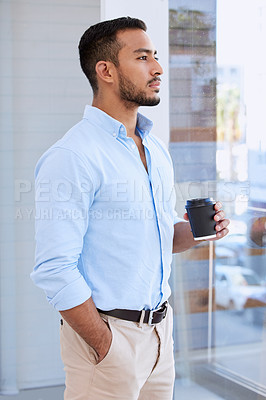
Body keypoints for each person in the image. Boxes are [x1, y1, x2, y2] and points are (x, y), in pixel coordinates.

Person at [31, 16, 230, 400]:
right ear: (105, 70)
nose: (157, 67)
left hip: (160, 334)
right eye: (142, 57)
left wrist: (200, 229)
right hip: (108, 342)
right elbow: (54, 269)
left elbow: (159, 236)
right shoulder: (72, 156)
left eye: (154, 55)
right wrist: (107, 347)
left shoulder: (153, 147)